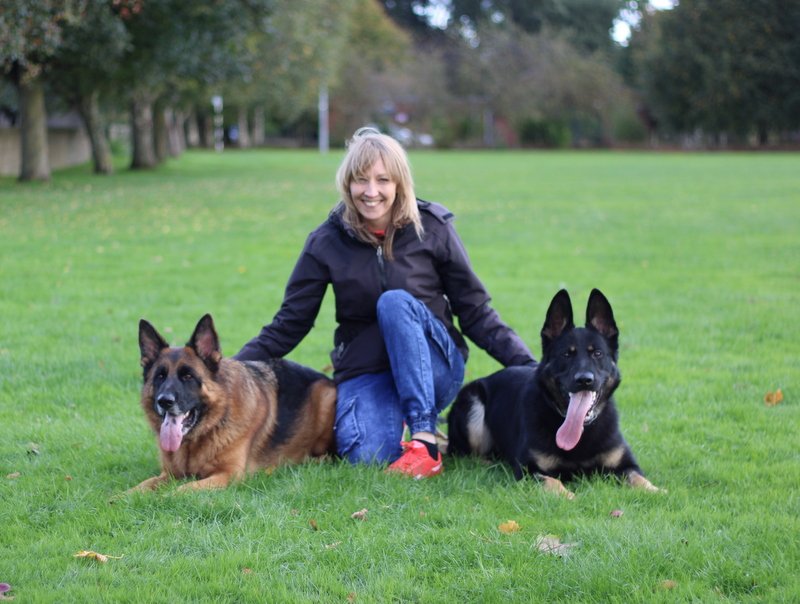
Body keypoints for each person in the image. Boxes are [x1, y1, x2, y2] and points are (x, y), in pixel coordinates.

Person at [235, 127, 536, 478]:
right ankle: (408, 430)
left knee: (395, 303)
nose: (372, 191)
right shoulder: (326, 242)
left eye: (383, 180)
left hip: (433, 367)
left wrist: (530, 368)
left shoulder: (433, 229)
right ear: (347, 184)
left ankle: (423, 436)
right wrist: (227, 370)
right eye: (361, 180)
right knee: (368, 457)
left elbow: (475, 312)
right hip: (368, 371)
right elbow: (291, 322)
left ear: (399, 184)